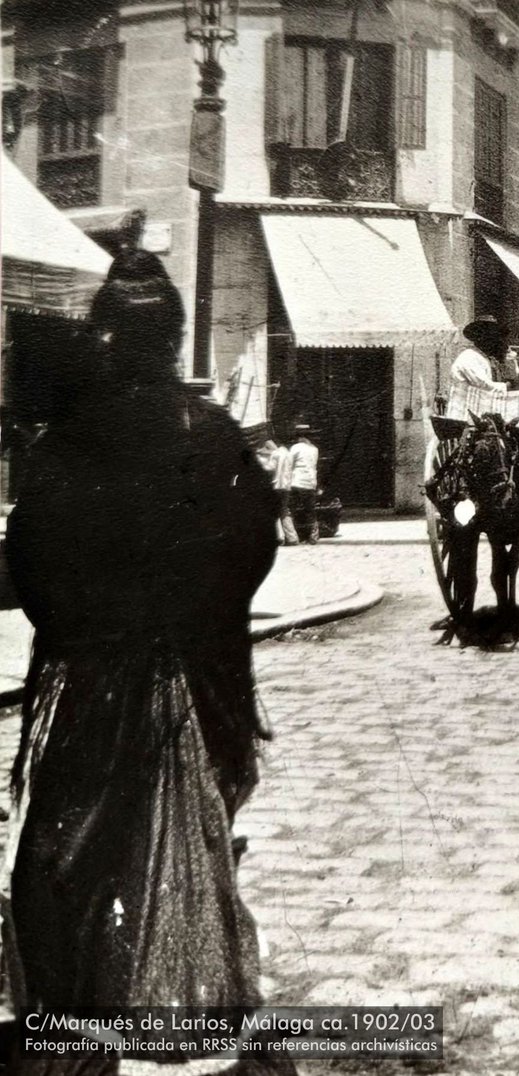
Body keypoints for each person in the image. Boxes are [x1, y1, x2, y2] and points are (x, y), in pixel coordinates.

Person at [3, 250, 294, 1068]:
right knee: (190, 849)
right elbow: (252, 555)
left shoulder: (68, 443)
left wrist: (84, 630)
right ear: (171, 339)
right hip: (199, 686)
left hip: (86, 686)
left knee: (67, 863)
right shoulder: (215, 435)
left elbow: (30, 563)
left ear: (107, 339)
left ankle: (79, 1031)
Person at [450, 314, 519, 390]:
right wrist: (509, 385)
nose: (497, 340)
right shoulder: (469, 357)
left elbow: (512, 375)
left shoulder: (488, 359)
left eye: (497, 336)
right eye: (489, 335)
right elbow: (485, 387)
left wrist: (507, 354)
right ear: (479, 337)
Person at [262, 437, 299, 546]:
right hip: (287, 486)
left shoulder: (275, 454)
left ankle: (279, 538)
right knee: (284, 510)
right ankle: (292, 538)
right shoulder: (288, 453)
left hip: (276, 485)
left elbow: (270, 468)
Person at [289, 424, 320, 544]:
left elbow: (289, 465)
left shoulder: (295, 448)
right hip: (311, 482)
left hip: (297, 481)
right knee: (310, 510)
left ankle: (298, 535)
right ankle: (313, 536)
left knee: (294, 509)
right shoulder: (314, 449)